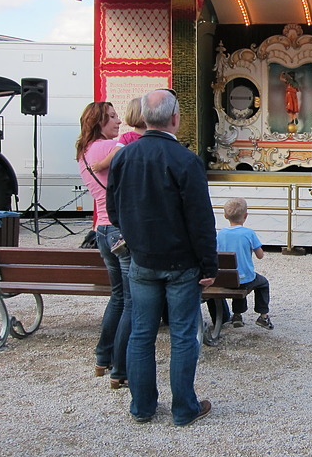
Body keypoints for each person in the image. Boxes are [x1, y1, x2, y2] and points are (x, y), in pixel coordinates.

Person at [107, 88, 216, 426]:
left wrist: (137, 236)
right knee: (183, 334)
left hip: (142, 259)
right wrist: (209, 263)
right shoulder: (185, 160)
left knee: (142, 333)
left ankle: (142, 406)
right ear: (174, 118)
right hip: (181, 261)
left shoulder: (124, 156)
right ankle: (184, 408)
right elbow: (200, 218)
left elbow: (113, 210)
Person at [75, 102, 131, 390]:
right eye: (111, 117)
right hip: (120, 229)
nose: (118, 121)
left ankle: (102, 357)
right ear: (98, 122)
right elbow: (128, 151)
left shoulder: (84, 152)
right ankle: (120, 369)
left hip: (102, 231)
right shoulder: (104, 148)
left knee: (119, 297)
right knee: (131, 301)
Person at [216, 198, 273, 330]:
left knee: (235, 277)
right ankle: (263, 315)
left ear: (225, 216)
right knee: (262, 283)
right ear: (246, 216)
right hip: (245, 279)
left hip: (225, 279)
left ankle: (237, 315)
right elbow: (260, 255)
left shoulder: (220, 234)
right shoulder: (249, 233)